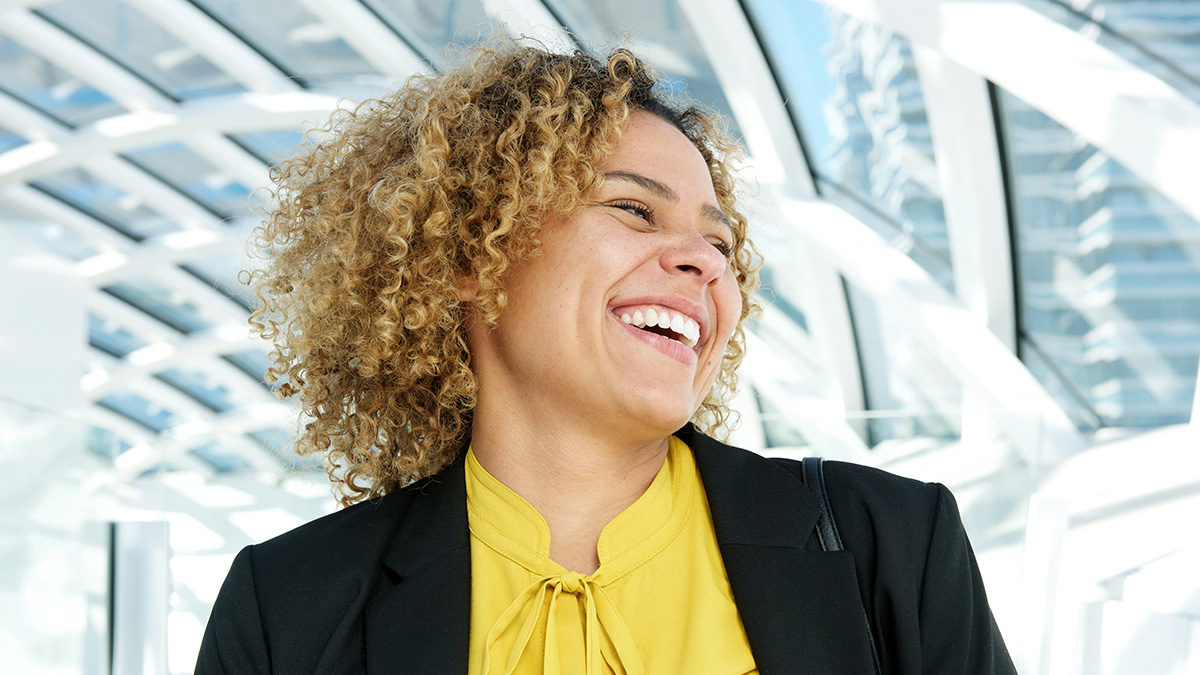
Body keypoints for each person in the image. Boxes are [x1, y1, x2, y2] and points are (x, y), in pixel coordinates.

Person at [195, 42, 1016, 674]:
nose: (704, 261)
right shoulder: (290, 608)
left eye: (719, 242)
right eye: (634, 209)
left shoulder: (892, 548)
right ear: (470, 256)